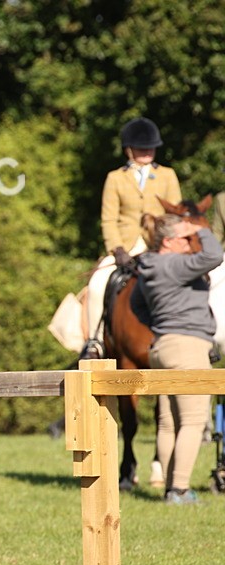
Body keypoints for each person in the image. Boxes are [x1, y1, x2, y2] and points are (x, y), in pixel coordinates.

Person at [135, 217, 224, 504]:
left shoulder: (148, 268)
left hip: (161, 346)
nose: (190, 243)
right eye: (185, 238)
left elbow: (137, 306)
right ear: (169, 241)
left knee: (168, 423)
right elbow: (213, 255)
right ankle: (180, 490)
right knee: (194, 420)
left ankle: (170, 486)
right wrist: (200, 228)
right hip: (187, 347)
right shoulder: (173, 264)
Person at [86, 117, 182, 357]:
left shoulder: (168, 175)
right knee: (97, 284)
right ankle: (94, 342)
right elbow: (108, 219)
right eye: (141, 148)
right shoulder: (115, 178)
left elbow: (175, 214)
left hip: (161, 245)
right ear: (129, 149)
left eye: (150, 147)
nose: (147, 151)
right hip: (126, 246)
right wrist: (117, 249)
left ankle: (199, 337)